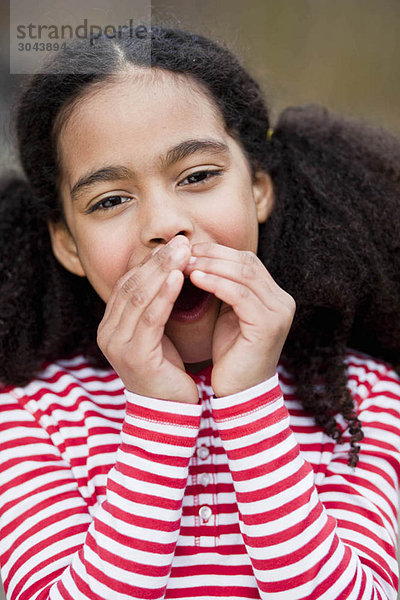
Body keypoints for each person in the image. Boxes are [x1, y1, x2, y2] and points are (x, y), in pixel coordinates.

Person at [0, 23, 400, 600]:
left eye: (198, 176)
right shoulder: (32, 414)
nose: (165, 224)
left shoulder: (360, 398)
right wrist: (157, 414)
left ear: (259, 188)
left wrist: (249, 402)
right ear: (67, 243)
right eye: (110, 200)